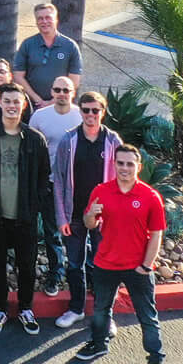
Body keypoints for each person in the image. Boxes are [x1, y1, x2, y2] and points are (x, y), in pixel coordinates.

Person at [75, 147, 169, 364]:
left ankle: (157, 362)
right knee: (101, 310)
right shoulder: (101, 191)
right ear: (114, 164)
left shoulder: (150, 196)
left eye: (129, 164)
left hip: (137, 268)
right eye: (120, 163)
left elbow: (156, 235)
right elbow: (89, 223)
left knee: (147, 317)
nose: (124, 168)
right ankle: (99, 344)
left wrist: (146, 266)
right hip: (105, 264)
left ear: (138, 167)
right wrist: (91, 215)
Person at [0, 83, 54, 334]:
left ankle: (26, 308)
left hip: (25, 215)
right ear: (0, 103)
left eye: (16, 101)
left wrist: (35, 203)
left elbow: (44, 176)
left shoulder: (35, 139)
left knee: (27, 265)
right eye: (7, 101)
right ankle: (0, 309)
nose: (12, 106)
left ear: (24, 104)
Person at [53, 91, 122, 328]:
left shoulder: (112, 141)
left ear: (103, 112)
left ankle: (105, 315)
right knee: (75, 264)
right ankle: (76, 309)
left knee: (104, 267)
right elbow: (59, 180)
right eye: (86, 110)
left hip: (104, 217)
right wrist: (61, 216)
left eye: (95, 110)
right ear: (80, 111)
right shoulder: (69, 140)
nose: (90, 114)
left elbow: (122, 179)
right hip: (74, 214)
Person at [30, 75, 86, 296]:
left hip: (76, 185)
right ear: (51, 92)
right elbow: (32, 150)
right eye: (57, 90)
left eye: (66, 90)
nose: (62, 94)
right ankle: (55, 273)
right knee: (52, 232)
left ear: (73, 93)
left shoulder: (82, 116)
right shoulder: (39, 117)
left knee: (78, 231)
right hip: (49, 183)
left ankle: (82, 272)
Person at [13, 2, 83, 105]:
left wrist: (53, 102)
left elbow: (74, 81)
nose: (44, 21)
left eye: (48, 17)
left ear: (56, 20)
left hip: (61, 104)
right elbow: (18, 76)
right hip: (32, 104)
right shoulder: (27, 44)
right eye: (40, 18)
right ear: (36, 22)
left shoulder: (70, 46)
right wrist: (38, 100)